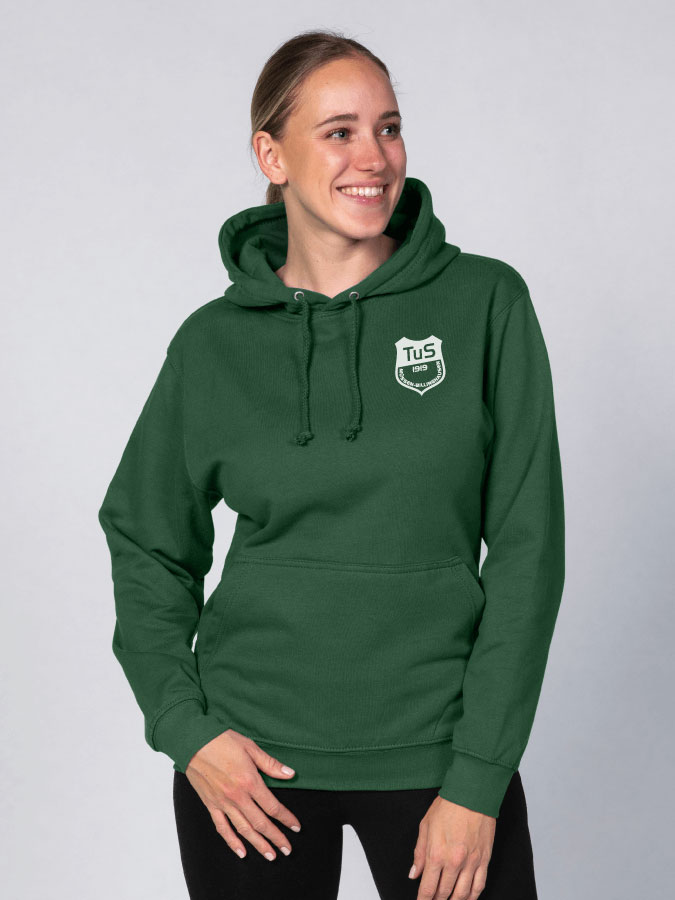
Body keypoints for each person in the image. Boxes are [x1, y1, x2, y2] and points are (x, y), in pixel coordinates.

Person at [98, 29, 565, 900]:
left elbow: (527, 551)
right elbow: (146, 539)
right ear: (271, 155)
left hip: (440, 757)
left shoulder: (484, 303)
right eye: (339, 132)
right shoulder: (213, 344)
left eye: (388, 128)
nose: (373, 158)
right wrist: (187, 729)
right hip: (249, 768)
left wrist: (479, 776)